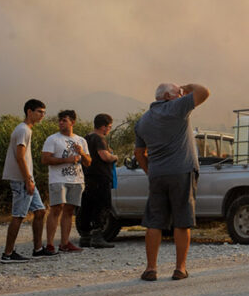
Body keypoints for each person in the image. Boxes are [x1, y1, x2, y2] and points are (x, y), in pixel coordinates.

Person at [134, 82, 210, 281]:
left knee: (154, 221)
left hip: (158, 174)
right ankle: (180, 268)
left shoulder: (143, 121)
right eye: (179, 93)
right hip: (181, 171)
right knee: (182, 220)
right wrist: (187, 86)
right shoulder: (176, 107)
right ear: (168, 96)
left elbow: (139, 152)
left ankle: (151, 269)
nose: (182, 95)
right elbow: (204, 92)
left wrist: (150, 171)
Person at [0, 99, 49, 262]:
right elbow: (20, 157)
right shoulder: (23, 130)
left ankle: (38, 249)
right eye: (39, 111)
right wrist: (28, 179)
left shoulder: (26, 129)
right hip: (22, 179)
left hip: (27, 178)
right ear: (29, 111)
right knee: (19, 215)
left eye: (44, 112)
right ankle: (7, 254)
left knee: (40, 211)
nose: (42, 115)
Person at [41, 110, 91, 253]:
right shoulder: (53, 139)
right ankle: (50, 244)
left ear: (72, 122)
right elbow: (45, 159)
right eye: (60, 120)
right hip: (58, 179)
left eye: (64, 120)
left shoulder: (81, 140)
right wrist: (66, 160)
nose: (61, 123)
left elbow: (88, 162)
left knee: (69, 211)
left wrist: (81, 153)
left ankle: (64, 243)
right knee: (56, 209)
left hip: (76, 179)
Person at [77, 113, 118, 249]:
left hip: (88, 176)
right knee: (102, 206)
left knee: (87, 206)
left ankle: (85, 236)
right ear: (103, 126)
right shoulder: (100, 138)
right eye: (109, 127)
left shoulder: (86, 138)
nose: (109, 130)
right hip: (100, 177)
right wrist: (114, 156)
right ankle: (97, 237)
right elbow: (104, 156)